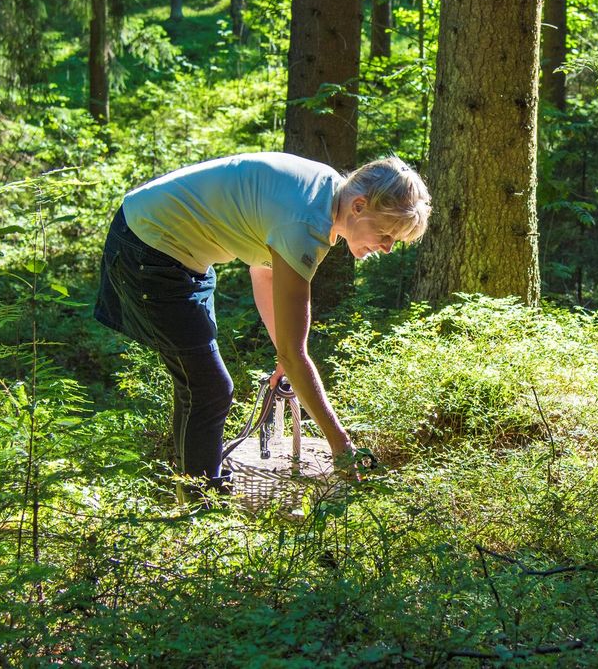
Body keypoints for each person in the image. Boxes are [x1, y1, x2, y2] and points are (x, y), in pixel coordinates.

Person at [94, 151, 430, 499]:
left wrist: (285, 354)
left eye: (396, 241)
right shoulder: (305, 223)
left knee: (199, 385)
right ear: (359, 206)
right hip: (148, 248)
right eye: (386, 233)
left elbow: (265, 272)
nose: (388, 248)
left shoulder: (326, 192)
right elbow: (294, 348)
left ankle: (191, 491)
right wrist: (342, 447)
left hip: (175, 252)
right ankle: (199, 509)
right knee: (208, 388)